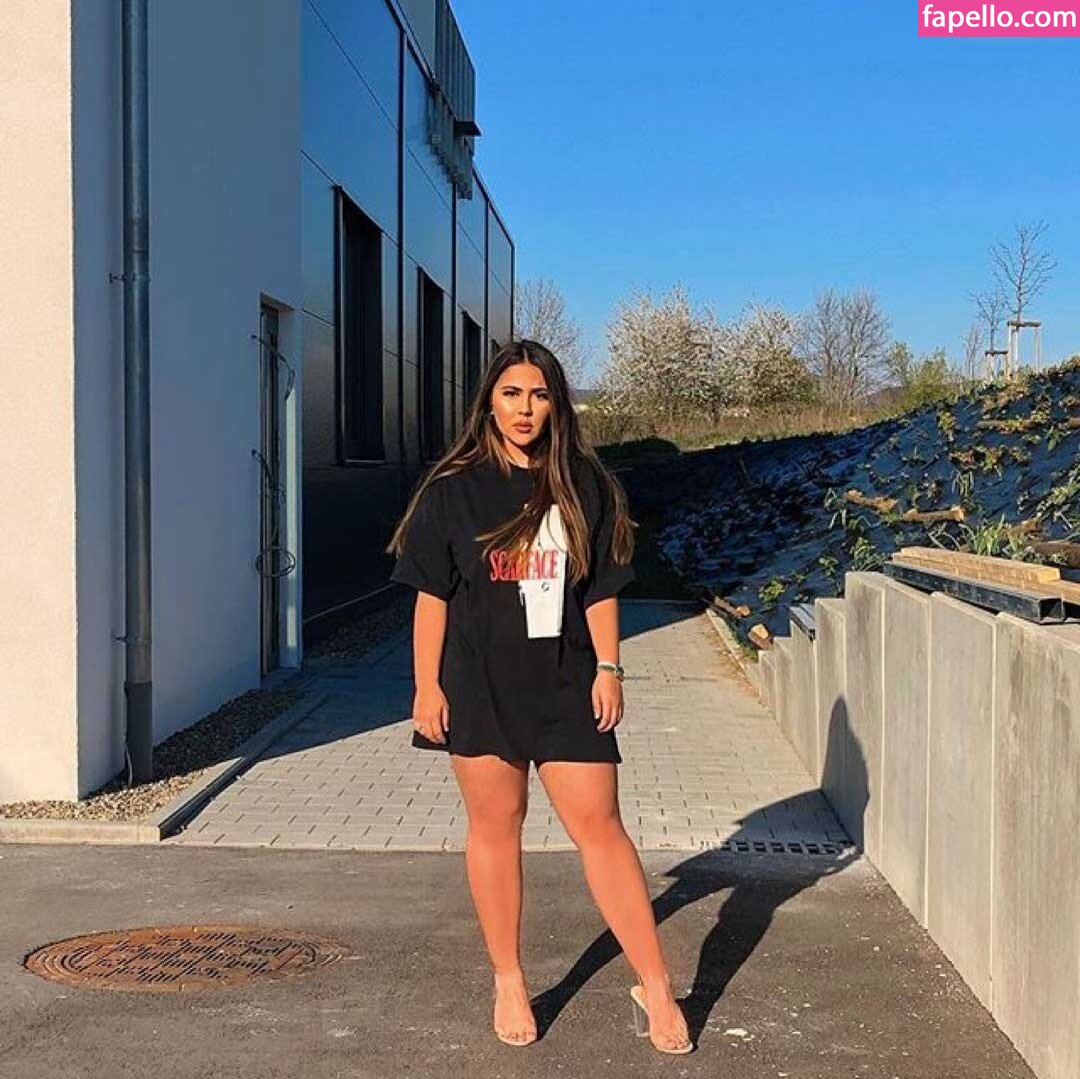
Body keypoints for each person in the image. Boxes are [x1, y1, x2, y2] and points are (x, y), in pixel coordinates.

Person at [385, 339, 694, 1054]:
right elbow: (431, 595)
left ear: (557, 404)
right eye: (511, 394)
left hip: (565, 684)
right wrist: (426, 685)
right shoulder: (453, 489)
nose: (525, 409)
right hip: (479, 687)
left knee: (602, 827)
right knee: (496, 828)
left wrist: (609, 668)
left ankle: (655, 983)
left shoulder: (585, 484)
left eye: (539, 394)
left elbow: (601, 588)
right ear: (489, 403)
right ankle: (509, 977)